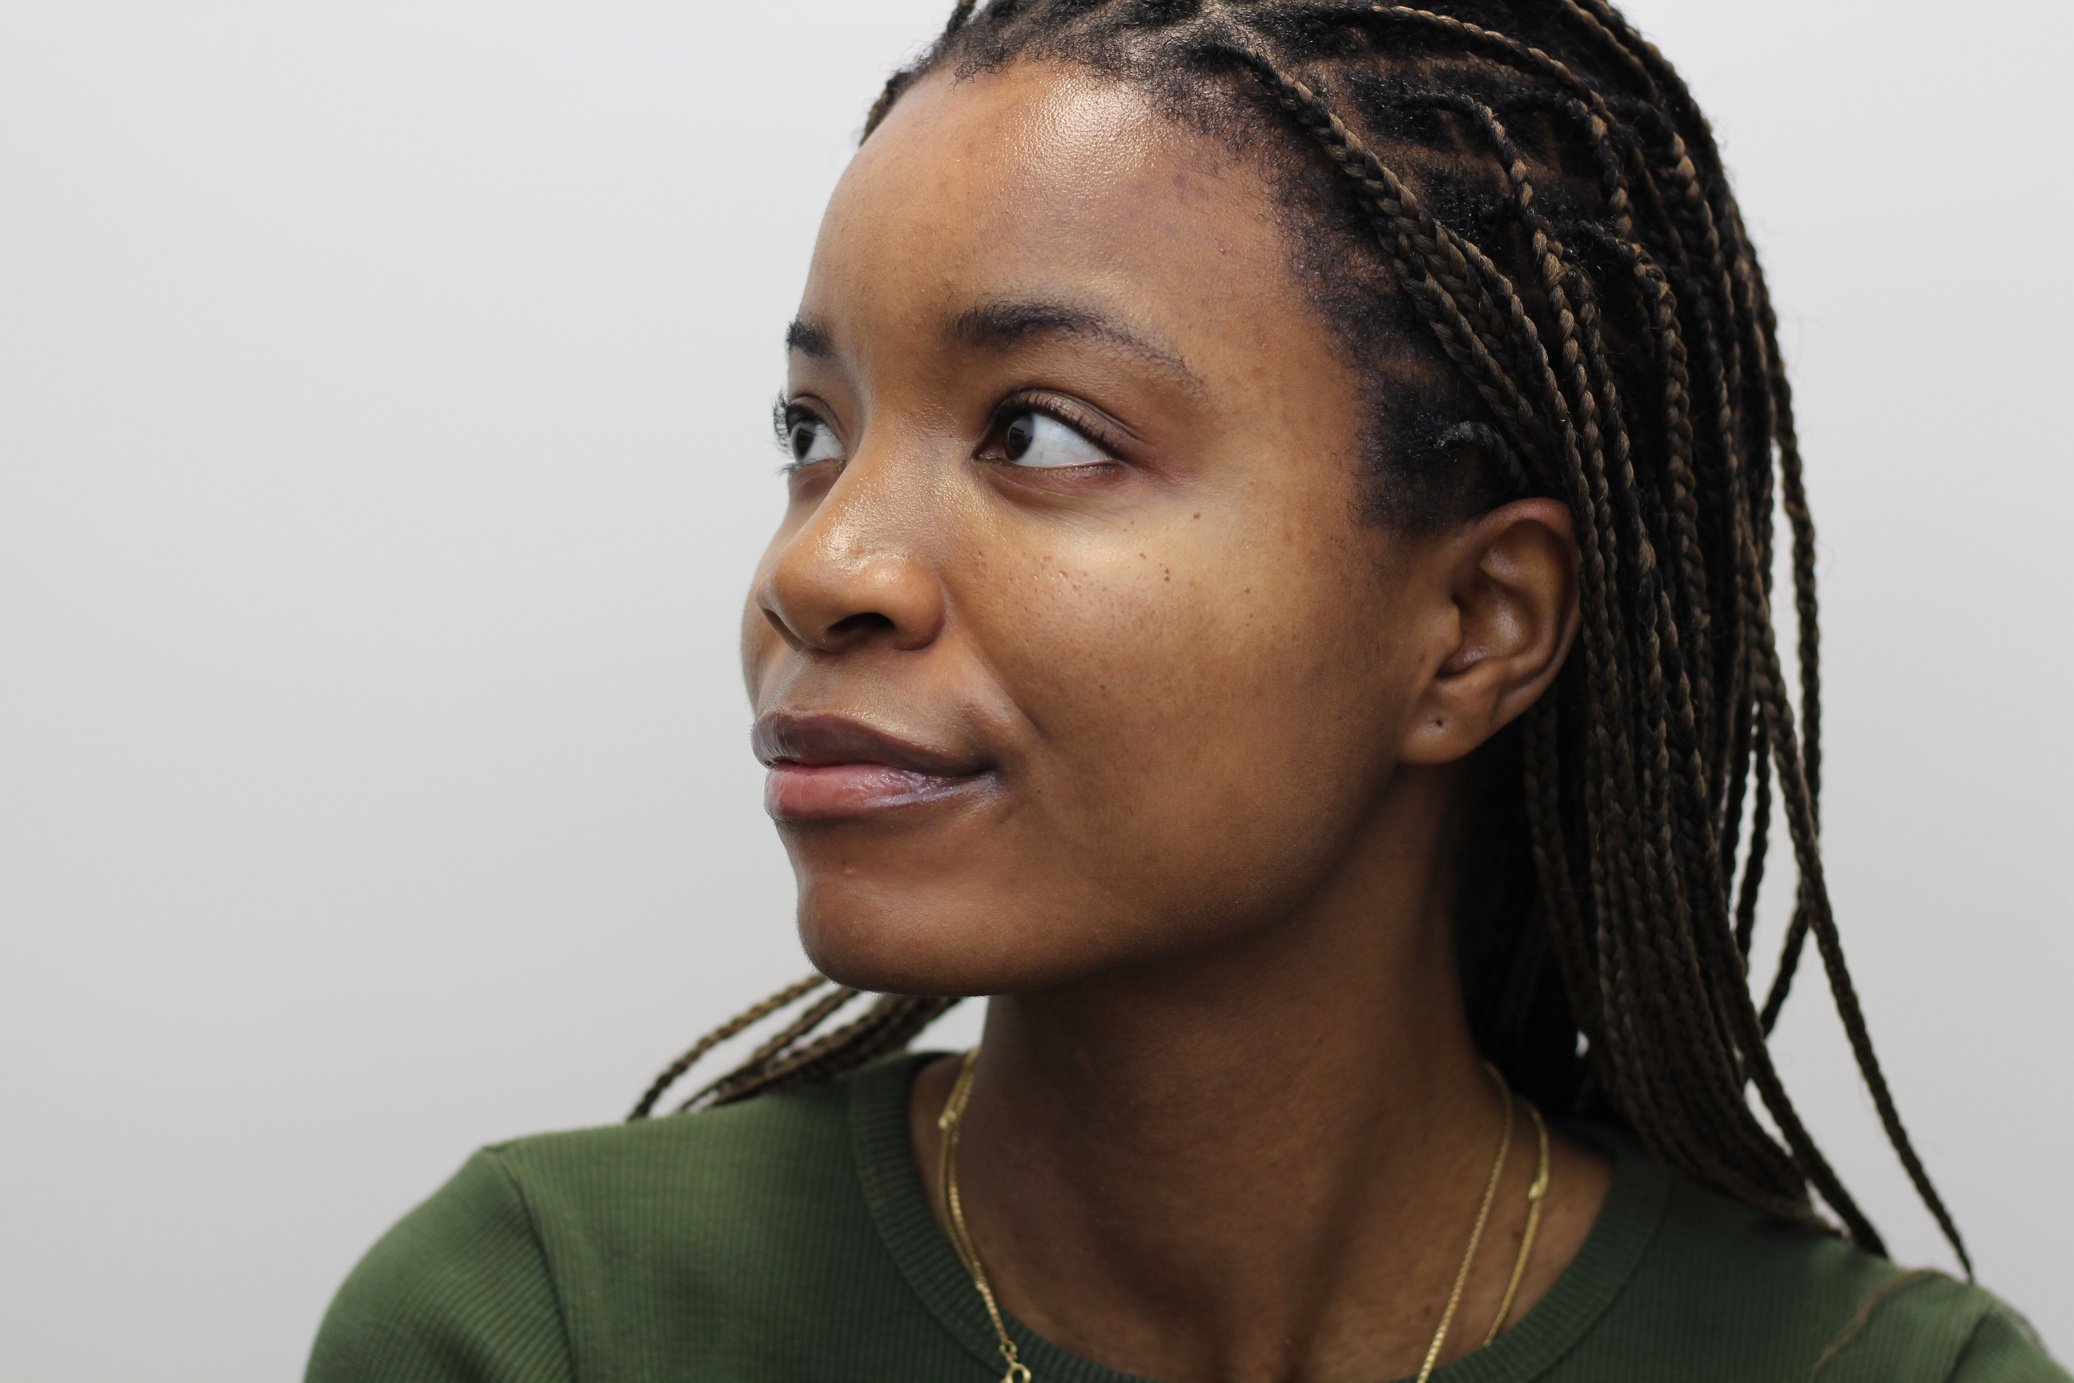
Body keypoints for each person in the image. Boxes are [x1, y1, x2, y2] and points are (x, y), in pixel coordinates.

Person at [306, 2, 2065, 1378]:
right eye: (811, 431)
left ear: (1471, 628)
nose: (821, 565)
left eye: (1040, 434)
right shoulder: (547, 1329)